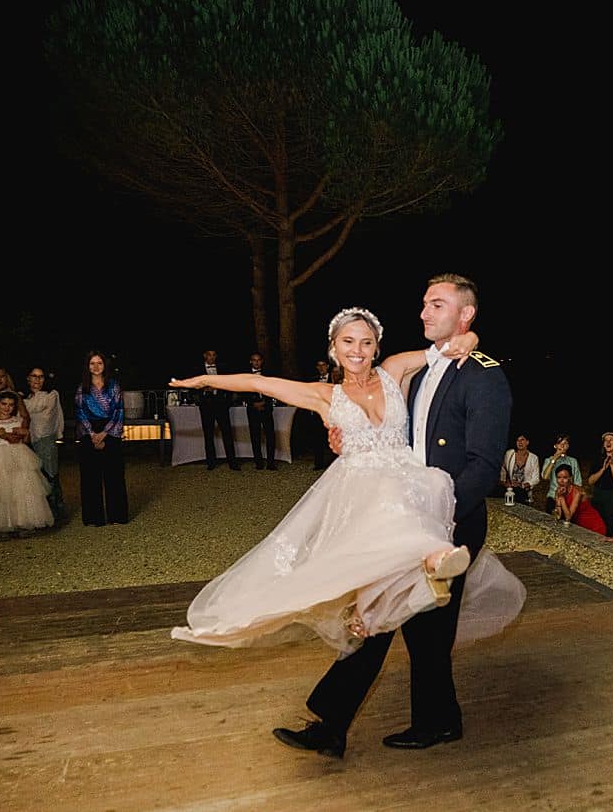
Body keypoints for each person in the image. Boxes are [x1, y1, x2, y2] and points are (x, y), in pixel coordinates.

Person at [182, 275, 520, 759]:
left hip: (444, 515)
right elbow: (262, 384)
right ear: (334, 348)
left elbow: (485, 465)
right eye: (423, 303)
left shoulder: (477, 374)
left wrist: (441, 514)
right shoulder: (417, 369)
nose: (423, 312)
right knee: (391, 623)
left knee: (401, 626)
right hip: (386, 513)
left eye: (436, 304)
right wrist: (207, 380)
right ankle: (391, 722)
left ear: (464, 313)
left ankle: (360, 723)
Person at [0, 390, 54, 535]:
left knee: (21, 489)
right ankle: (0, 523)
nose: (7, 407)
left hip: (19, 457)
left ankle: (23, 522)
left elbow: (26, 441)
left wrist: (24, 433)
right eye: (4, 404)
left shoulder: (18, 421)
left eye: (11, 405)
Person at [74, 350, 129, 526]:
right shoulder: (82, 387)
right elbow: (79, 411)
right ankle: (93, 517)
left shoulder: (113, 385)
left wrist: (104, 433)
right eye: (92, 363)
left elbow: (118, 410)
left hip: (110, 430)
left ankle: (117, 516)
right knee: (90, 476)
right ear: (87, 366)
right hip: (88, 431)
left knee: (114, 475)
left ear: (105, 365)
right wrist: (92, 434)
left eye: (99, 363)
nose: (96, 367)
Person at [23, 365, 66, 520]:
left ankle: (56, 513)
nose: (37, 380)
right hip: (29, 442)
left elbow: (44, 417)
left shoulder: (51, 396)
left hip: (46, 440)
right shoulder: (24, 398)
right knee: (34, 479)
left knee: (50, 476)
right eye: (34, 376)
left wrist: (26, 411)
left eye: (41, 376)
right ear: (28, 378)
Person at [194, 349, 240, 471]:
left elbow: (230, 384)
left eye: (214, 355)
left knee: (227, 433)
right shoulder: (198, 369)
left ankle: (233, 463)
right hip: (206, 405)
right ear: (205, 356)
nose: (212, 357)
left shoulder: (223, 368)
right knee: (208, 434)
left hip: (221, 404)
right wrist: (203, 390)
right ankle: (211, 462)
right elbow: (193, 387)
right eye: (209, 355)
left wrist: (228, 401)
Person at [241, 351, 277, 470]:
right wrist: (253, 403)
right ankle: (258, 462)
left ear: (262, 361)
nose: (256, 362)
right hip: (252, 409)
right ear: (251, 361)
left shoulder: (268, 374)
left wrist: (265, 402)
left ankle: (271, 462)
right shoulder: (245, 376)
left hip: (266, 408)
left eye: (258, 360)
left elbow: (273, 389)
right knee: (255, 436)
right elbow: (243, 391)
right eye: (254, 360)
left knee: (270, 435)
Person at [588, 431, 613, 535]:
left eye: (611, 440)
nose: (608, 442)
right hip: (598, 495)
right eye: (606, 440)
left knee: (611, 528)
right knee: (596, 527)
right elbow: (590, 481)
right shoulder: (597, 459)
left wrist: (612, 465)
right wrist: (603, 469)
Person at [553, 464, 608, 535]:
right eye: (559, 477)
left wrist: (562, 498)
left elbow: (568, 517)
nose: (561, 480)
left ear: (570, 478)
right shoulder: (559, 491)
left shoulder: (577, 492)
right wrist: (558, 498)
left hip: (594, 525)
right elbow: (558, 515)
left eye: (565, 477)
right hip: (580, 527)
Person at [541, 434, 581, 513]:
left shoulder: (573, 461)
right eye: (560, 443)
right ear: (555, 446)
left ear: (568, 446)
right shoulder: (548, 460)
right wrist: (555, 458)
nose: (562, 445)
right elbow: (545, 477)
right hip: (553, 497)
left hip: (569, 498)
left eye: (565, 443)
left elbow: (578, 483)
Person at [499, 434, 539, 506]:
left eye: (522, 440)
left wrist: (523, 485)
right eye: (518, 440)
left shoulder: (533, 458)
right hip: (510, 489)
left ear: (527, 442)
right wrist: (504, 483)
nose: (520, 442)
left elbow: (536, 478)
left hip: (523, 492)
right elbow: (503, 469)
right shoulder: (510, 453)